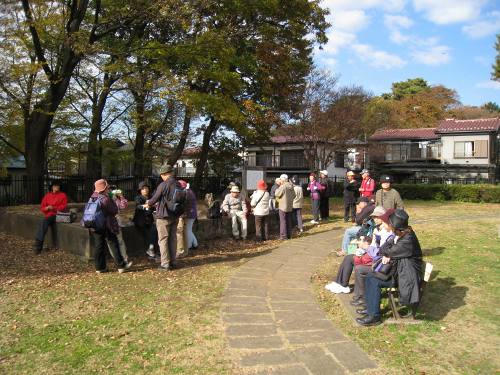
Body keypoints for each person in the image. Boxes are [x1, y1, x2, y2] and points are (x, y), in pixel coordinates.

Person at [356, 209, 423, 326]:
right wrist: (388, 252)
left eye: (387, 223)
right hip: (400, 271)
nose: (385, 224)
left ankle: (374, 316)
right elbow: (383, 249)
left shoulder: (407, 240)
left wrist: (388, 254)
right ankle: (370, 308)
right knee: (371, 275)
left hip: (406, 277)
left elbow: (388, 250)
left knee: (373, 280)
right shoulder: (401, 235)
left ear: (394, 225)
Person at [351, 207, 394, 306]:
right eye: (373, 217)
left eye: (377, 217)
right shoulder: (377, 229)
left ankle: (364, 298)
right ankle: (358, 295)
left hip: (383, 266)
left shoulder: (388, 233)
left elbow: (380, 252)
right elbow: (376, 248)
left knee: (359, 268)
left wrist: (366, 248)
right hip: (379, 261)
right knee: (353, 260)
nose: (374, 219)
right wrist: (365, 247)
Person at [88, 179, 132, 273]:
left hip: (94, 225)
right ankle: (121, 266)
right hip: (107, 225)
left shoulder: (93, 197)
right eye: (107, 187)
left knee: (99, 246)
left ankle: (100, 268)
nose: (108, 189)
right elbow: (114, 210)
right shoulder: (105, 198)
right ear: (103, 188)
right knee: (113, 244)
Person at [144, 163, 181, 271]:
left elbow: (155, 198)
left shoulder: (163, 185)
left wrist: (148, 204)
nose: (161, 176)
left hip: (164, 215)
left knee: (163, 239)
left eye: (161, 174)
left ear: (165, 174)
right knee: (173, 238)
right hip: (175, 214)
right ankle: (173, 261)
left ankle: (165, 263)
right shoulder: (178, 184)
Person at [33, 180, 68, 254]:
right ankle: (38, 245)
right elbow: (42, 207)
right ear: (52, 187)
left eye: (58, 186)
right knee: (44, 223)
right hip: (49, 215)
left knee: (44, 222)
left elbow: (64, 207)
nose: (56, 187)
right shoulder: (47, 195)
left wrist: (54, 208)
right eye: (55, 186)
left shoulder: (63, 195)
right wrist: (47, 208)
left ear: (60, 187)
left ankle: (38, 245)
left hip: (58, 215)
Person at [133, 181, 158, 259]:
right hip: (140, 221)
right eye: (143, 189)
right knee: (148, 235)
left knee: (154, 232)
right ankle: (150, 252)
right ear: (140, 190)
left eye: (146, 188)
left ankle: (151, 250)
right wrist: (147, 205)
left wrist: (153, 206)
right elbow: (138, 206)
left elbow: (154, 208)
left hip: (149, 220)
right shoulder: (138, 197)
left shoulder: (151, 197)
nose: (145, 190)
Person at [109, 184, 130, 263]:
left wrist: (121, 196)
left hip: (117, 222)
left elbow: (124, 206)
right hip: (109, 222)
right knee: (111, 242)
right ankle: (117, 259)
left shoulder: (116, 199)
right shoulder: (106, 198)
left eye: (113, 190)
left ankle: (124, 258)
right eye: (110, 190)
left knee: (120, 240)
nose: (112, 192)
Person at [177, 180, 198, 256]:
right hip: (192, 213)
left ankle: (189, 245)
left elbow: (185, 204)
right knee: (189, 229)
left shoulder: (186, 192)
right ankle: (195, 244)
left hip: (189, 214)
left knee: (187, 230)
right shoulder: (189, 191)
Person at [275, 174, 296, 240]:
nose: (280, 181)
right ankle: (289, 235)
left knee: (283, 221)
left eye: (280, 179)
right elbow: (294, 195)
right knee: (288, 220)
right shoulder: (291, 186)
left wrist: (280, 186)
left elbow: (277, 194)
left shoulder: (283, 186)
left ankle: (283, 236)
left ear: (283, 180)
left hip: (282, 206)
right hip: (289, 206)